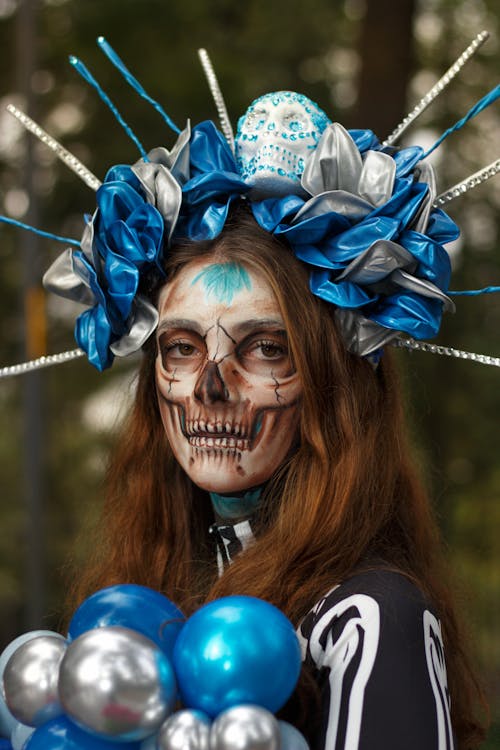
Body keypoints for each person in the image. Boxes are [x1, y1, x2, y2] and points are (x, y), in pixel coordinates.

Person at [66, 205, 486, 749]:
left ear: (332, 382)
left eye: (266, 348)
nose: (209, 388)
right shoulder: (145, 597)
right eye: (182, 349)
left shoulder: (369, 621)